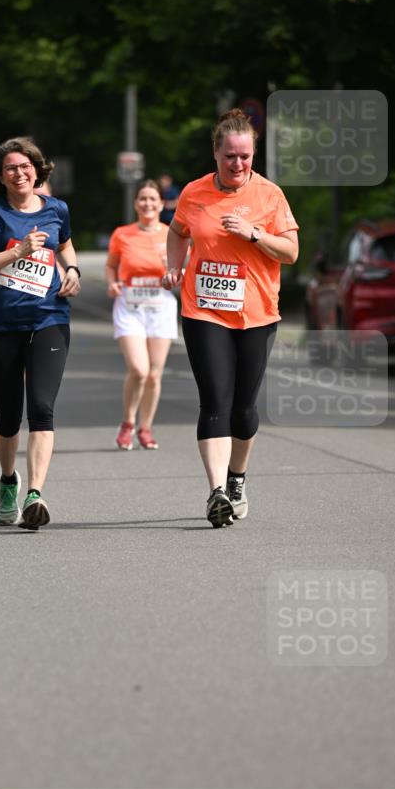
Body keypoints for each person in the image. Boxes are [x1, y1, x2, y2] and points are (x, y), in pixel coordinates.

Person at [163, 109, 299, 528]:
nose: (237, 164)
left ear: (253, 154)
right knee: (215, 400)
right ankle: (217, 491)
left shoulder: (270, 196)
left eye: (245, 156)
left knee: (244, 409)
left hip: (257, 314)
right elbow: (177, 231)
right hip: (203, 310)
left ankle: (237, 477)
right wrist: (174, 266)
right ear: (216, 154)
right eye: (229, 157)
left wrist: (253, 233)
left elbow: (291, 252)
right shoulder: (194, 193)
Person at [0, 137, 81, 531]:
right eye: (12, 168)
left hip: (50, 318)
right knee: (8, 417)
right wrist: (17, 252)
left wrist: (73, 271)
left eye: (26, 165)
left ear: (38, 169)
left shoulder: (56, 209)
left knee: (42, 408)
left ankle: (36, 493)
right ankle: (8, 481)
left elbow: (65, 246)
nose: (20, 172)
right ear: (1, 176)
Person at [106, 179, 177, 450]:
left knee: (154, 375)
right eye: (143, 199)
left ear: (161, 204)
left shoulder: (172, 233)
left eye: (152, 199)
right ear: (136, 203)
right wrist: (112, 282)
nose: (148, 203)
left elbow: (183, 273)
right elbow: (111, 266)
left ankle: (145, 428)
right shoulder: (122, 234)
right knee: (139, 369)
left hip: (161, 306)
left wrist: (172, 272)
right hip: (130, 305)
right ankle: (128, 422)